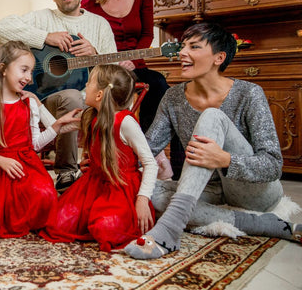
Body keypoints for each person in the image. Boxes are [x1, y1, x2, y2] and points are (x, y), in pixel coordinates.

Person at [125, 22, 302, 260]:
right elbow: (146, 148)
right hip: (209, 190)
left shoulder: (249, 93)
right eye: (183, 46)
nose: (182, 53)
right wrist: (107, 159)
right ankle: (263, 224)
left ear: (219, 57)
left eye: (194, 47)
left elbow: (272, 166)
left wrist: (225, 159)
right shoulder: (173, 97)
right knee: (137, 189)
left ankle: (169, 229)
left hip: (254, 192)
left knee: (212, 116)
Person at [0, 0, 117, 192]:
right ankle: (59, 171)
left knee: (72, 97)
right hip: (37, 97)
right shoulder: (41, 18)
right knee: (70, 97)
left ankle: (66, 173)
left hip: (84, 99)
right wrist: (44, 37)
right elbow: (0, 28)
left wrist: (95, 56)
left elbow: (115, 74)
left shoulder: (99, 25)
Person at [0, 41, 81, 239]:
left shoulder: (29, 102)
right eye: (24, 70)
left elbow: (35, 144)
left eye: (30, 71)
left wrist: (56, 126)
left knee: (45, 197)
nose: (29, 78)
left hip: (25, 167)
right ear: (3, 69)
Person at [81, 0, 179, 179]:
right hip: (106, 70)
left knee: (159, 86)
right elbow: (87, 37)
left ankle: (155, 153)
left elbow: (147, 34)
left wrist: (134, 61)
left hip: (136, 65)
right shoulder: (89, 3)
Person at [40, 64, 158, 251]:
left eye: (89, 82)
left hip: (120, 188)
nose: (85, 85)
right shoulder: (91, 116)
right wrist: (37, 105)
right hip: (93, 184)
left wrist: (142, 199)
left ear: (99, 95)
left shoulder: (125, 122)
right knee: (57, 222)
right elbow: (57, 128)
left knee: (105, 229)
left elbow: (150, 163)